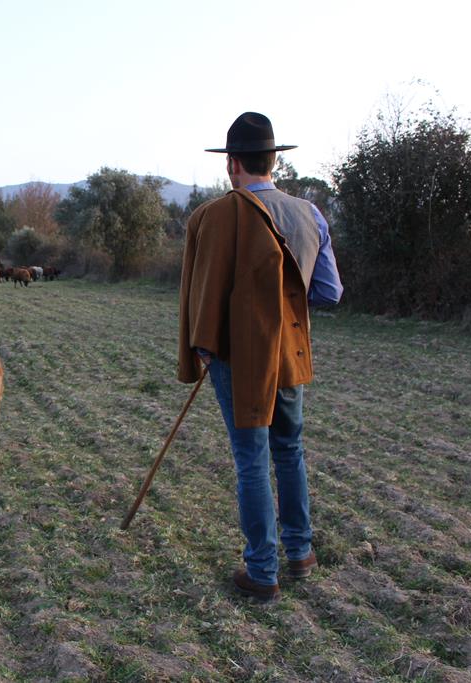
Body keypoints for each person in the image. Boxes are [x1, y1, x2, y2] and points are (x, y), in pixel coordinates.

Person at [178, 112, 343, 602]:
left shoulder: (212, 215)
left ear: (232, 164)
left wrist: (205, 349)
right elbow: (329, 291)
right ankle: (300, 553)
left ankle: (262, 571)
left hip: (239, 359)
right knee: (289, 450)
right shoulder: (310, 214)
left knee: (250, 460)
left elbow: (202, 296)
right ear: (274, 161)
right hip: (290, 353)